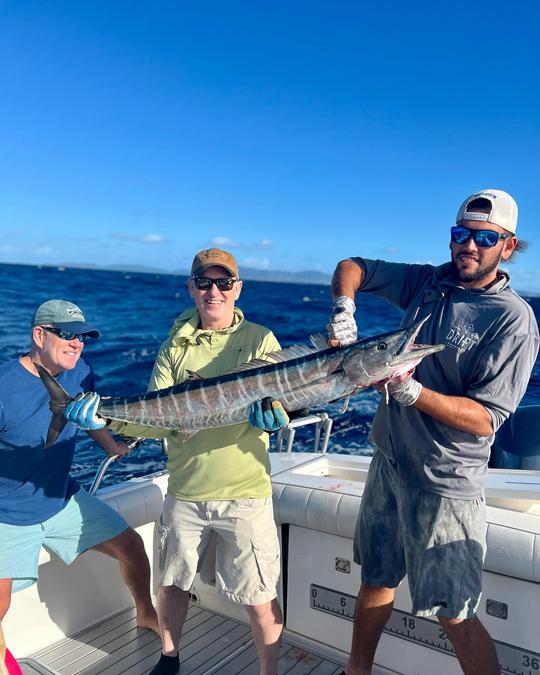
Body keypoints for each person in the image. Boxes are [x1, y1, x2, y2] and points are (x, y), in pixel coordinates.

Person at [327, 189, 539, 675]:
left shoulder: (512, 320)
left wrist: (411, 392)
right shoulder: (429, 282)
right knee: (376, 578)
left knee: (455, 613)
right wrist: (345, 307)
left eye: (486, 237)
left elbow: (488, 418)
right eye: (461, 234)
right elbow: (352, 265)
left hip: (444, 482)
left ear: (508, 246)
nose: (470, 245)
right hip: (390, 463)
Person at [66, 248, 288, 675]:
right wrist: (106, 421)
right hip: (184, 490)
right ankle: (169, 658)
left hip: (246, 494)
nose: (214, 291)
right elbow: (159, 420)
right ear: (192, 288)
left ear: (237, 289)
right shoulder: (175, 346)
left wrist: (279, 417)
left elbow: (279, 402)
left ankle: (269, 672)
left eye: (224, 283)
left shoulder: (261, 340)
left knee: (260, 596)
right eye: (205, 282)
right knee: (170, 585)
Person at [0, 300, 159, 636]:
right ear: (39, 335)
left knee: (132, 547)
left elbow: (87, 414)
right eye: (68, 334)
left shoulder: (80, 370)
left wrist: (111, 446)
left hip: (62, 499)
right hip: (8, 514)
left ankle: (146, 613)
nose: (77, 343)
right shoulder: (4, 386)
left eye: (83, 336)